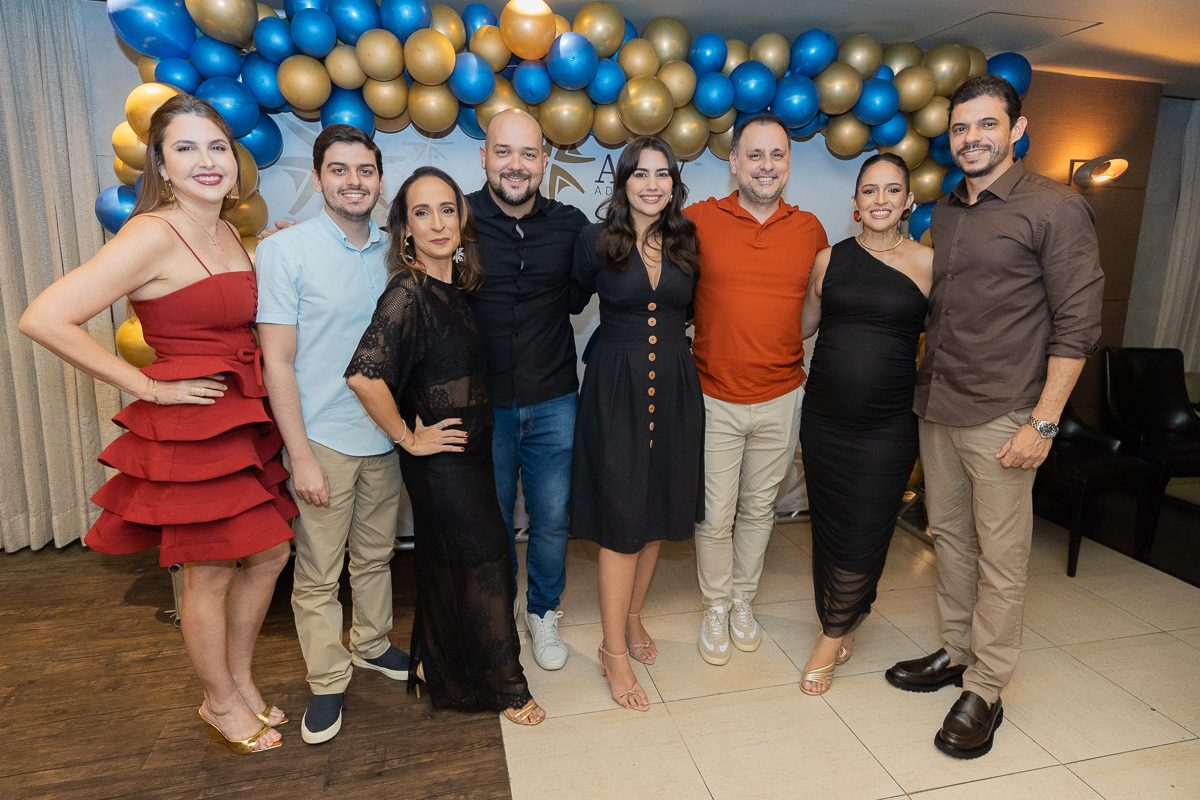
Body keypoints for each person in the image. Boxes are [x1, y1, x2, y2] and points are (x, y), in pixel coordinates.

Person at [19, 94, 297, 753]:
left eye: (218, 146)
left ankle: (238, 681)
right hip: (194, 426)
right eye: (186, 148)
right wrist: (148, 386)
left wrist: (271, 254)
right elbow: (44, 317)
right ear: (162, 165)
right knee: (210, 571)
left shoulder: (225, 230)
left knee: (270, 553)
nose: (207, 161)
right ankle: (218, 702)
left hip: (240, 416)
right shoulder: (151, 232)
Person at [885, 75, 1103, 758]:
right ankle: (956, 651)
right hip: (939, 406)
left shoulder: (1055, 207)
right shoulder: (948, 211)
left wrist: (1044, 422)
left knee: (1002, 559)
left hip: (1005, 414)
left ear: (1017, 129)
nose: (971, 138)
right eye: (960, 128)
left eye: (986, 124)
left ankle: (986, 686)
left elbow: (1077, 326)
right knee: (950, 540)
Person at [346, 167, 545, 726]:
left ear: (461, 219)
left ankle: (434, 664)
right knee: (488, 562)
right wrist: (408, 438)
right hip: (442, 463)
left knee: (446, 563)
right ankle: (508, 687)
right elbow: (363, 375)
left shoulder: (453, 288)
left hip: (470, 455)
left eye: (447, 209)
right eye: (422, 212)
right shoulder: (407, 292)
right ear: (405, 229)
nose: (437, 223)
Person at [256, 124, 409, 745]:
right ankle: (326, 679)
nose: (354, 182)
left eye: (365, 170)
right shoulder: (285, 251)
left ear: (380, 180)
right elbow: (276, 363)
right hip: (321, 437)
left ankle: (371, 643)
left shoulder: (395, 250)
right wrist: (300, 456)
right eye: (339, 170)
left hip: (386, 435)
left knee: (375, 556)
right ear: (318, 180)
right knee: (319, 573)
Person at [685, 113, 829, 665]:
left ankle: (742, 601)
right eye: (755, 155)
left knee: (759, 509)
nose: (766, 166)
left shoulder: (810, 229)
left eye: (777, 155)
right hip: (713, 395)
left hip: (782, 394)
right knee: (714, 514)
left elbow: (812, 309)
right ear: (734, 162)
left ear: (788, 163)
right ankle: (715, 606)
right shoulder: (700, 219)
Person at [569, 136, 704, 710]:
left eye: (662, 174)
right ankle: (612, 651)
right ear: (623, 182)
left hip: (674, 387)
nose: (652, 184)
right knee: (622, 518)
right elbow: (568, 301)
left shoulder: (688, 239)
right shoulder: (596, 240)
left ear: (674, 183)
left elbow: (696, 309)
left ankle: (631, 617)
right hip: (615, 389)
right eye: (640, 174)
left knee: (655, 513)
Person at [797, 153, 932, 695]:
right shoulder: (828, 259)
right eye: (870, 190)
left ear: (908, 201)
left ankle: (829, 638)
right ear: (855, 202)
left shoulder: (929, 264)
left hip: (889, 427)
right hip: (824, 421)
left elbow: (953, 342)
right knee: (830, 529)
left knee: (866, 530)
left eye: (892, 190)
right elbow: (803, 326)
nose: (880, 200)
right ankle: (844, 618)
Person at [466, 109, 590, 671]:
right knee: (490, 519)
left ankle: (543, 612)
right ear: (484, 157)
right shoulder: (458, 219)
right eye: (504, 151)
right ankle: (498, 611)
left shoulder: (570, 225)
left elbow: (581, 294)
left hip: (554, 397)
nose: (516, 165)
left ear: (544, 160)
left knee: (552, 518)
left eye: (528, 153)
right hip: (482, 403)